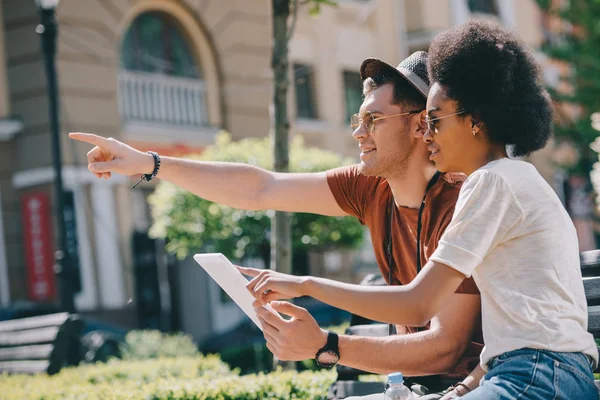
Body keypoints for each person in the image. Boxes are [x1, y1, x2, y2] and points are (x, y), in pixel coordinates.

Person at [70, 52, 482, 398]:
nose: (359, 133)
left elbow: (444, 350)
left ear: (419, 125)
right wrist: (149, 163)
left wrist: (326, 346)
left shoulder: (464, 201)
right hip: (417, 389)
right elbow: (261, 188)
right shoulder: (369, 188)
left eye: (373, 120)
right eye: (357, 120)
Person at [241, 20, 599, 399]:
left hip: (538, 378)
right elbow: (523, 330)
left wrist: (305, 285)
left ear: (474, 121)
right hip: (530, 374)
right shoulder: (513, 179)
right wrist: (462, 388)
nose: (427, 134)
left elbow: (418, 304)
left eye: (435, 119)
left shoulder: (491, 182)